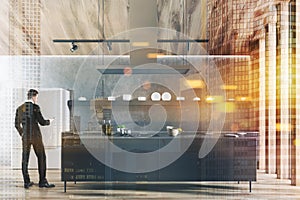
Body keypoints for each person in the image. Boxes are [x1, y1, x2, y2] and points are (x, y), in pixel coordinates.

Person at [15, 89, 55, 189]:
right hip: (36, 137)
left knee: (25, 159)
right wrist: (49, 121)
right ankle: (42, 181)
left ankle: (26, 182)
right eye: (36, 97)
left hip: (25, 138)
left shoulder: (20, 108)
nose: (36, 99)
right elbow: (41, 122)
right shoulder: (35, 107)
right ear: (34, 96)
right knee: (41, 157)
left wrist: (22, 133)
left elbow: (16, 124)